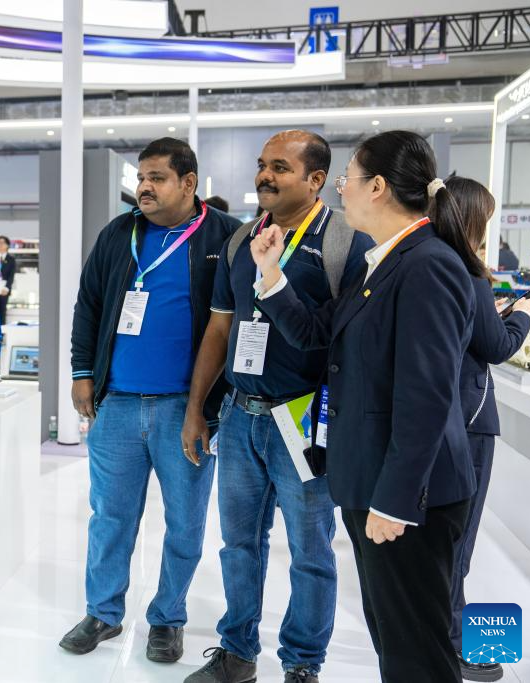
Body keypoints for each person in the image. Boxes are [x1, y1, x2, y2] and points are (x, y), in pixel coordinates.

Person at [250, 130, 477, 682]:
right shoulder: (383, 262)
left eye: (347, 179)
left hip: (410, 497)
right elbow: (316, 333)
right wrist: (272, 274)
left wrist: (395, 501)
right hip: (373, 481)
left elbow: (427, 396)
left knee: (417, 654)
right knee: (395, 642)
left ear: (377, 187)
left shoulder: (428, 264)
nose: (341, 191)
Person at [182, 130, 374, 683]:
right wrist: (197, 409)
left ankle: (302, 663)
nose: (264, 175)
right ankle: (238, 652)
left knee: (311, 552)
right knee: (239, 544)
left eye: (280, 168)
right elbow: (220, 328)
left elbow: (344, 340)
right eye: (262, 164)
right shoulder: (243, 240)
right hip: (241, 414)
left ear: (316, 180)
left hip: (305, 420)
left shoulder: (346, 243)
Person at [62, 137, 242, 663]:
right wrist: (82, 373)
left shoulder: (226, 236)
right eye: (142, 177)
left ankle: (167, 618)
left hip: (187, 410)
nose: (144, 186)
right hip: (117, 403)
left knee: (185, 521)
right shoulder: (119, 234)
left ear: (188, 183)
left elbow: (236, 321)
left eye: (157, 178)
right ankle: (103, 612)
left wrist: (211, 406)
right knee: (110, 517)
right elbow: (88, 304)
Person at [442, 177, 530, 682]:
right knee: (459, 540)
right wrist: (521, 317)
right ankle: (457, 645)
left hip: (439, 418)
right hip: (471, 417)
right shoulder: (468, 272)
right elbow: (496, 347)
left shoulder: (428, 263)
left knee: (441, 538)